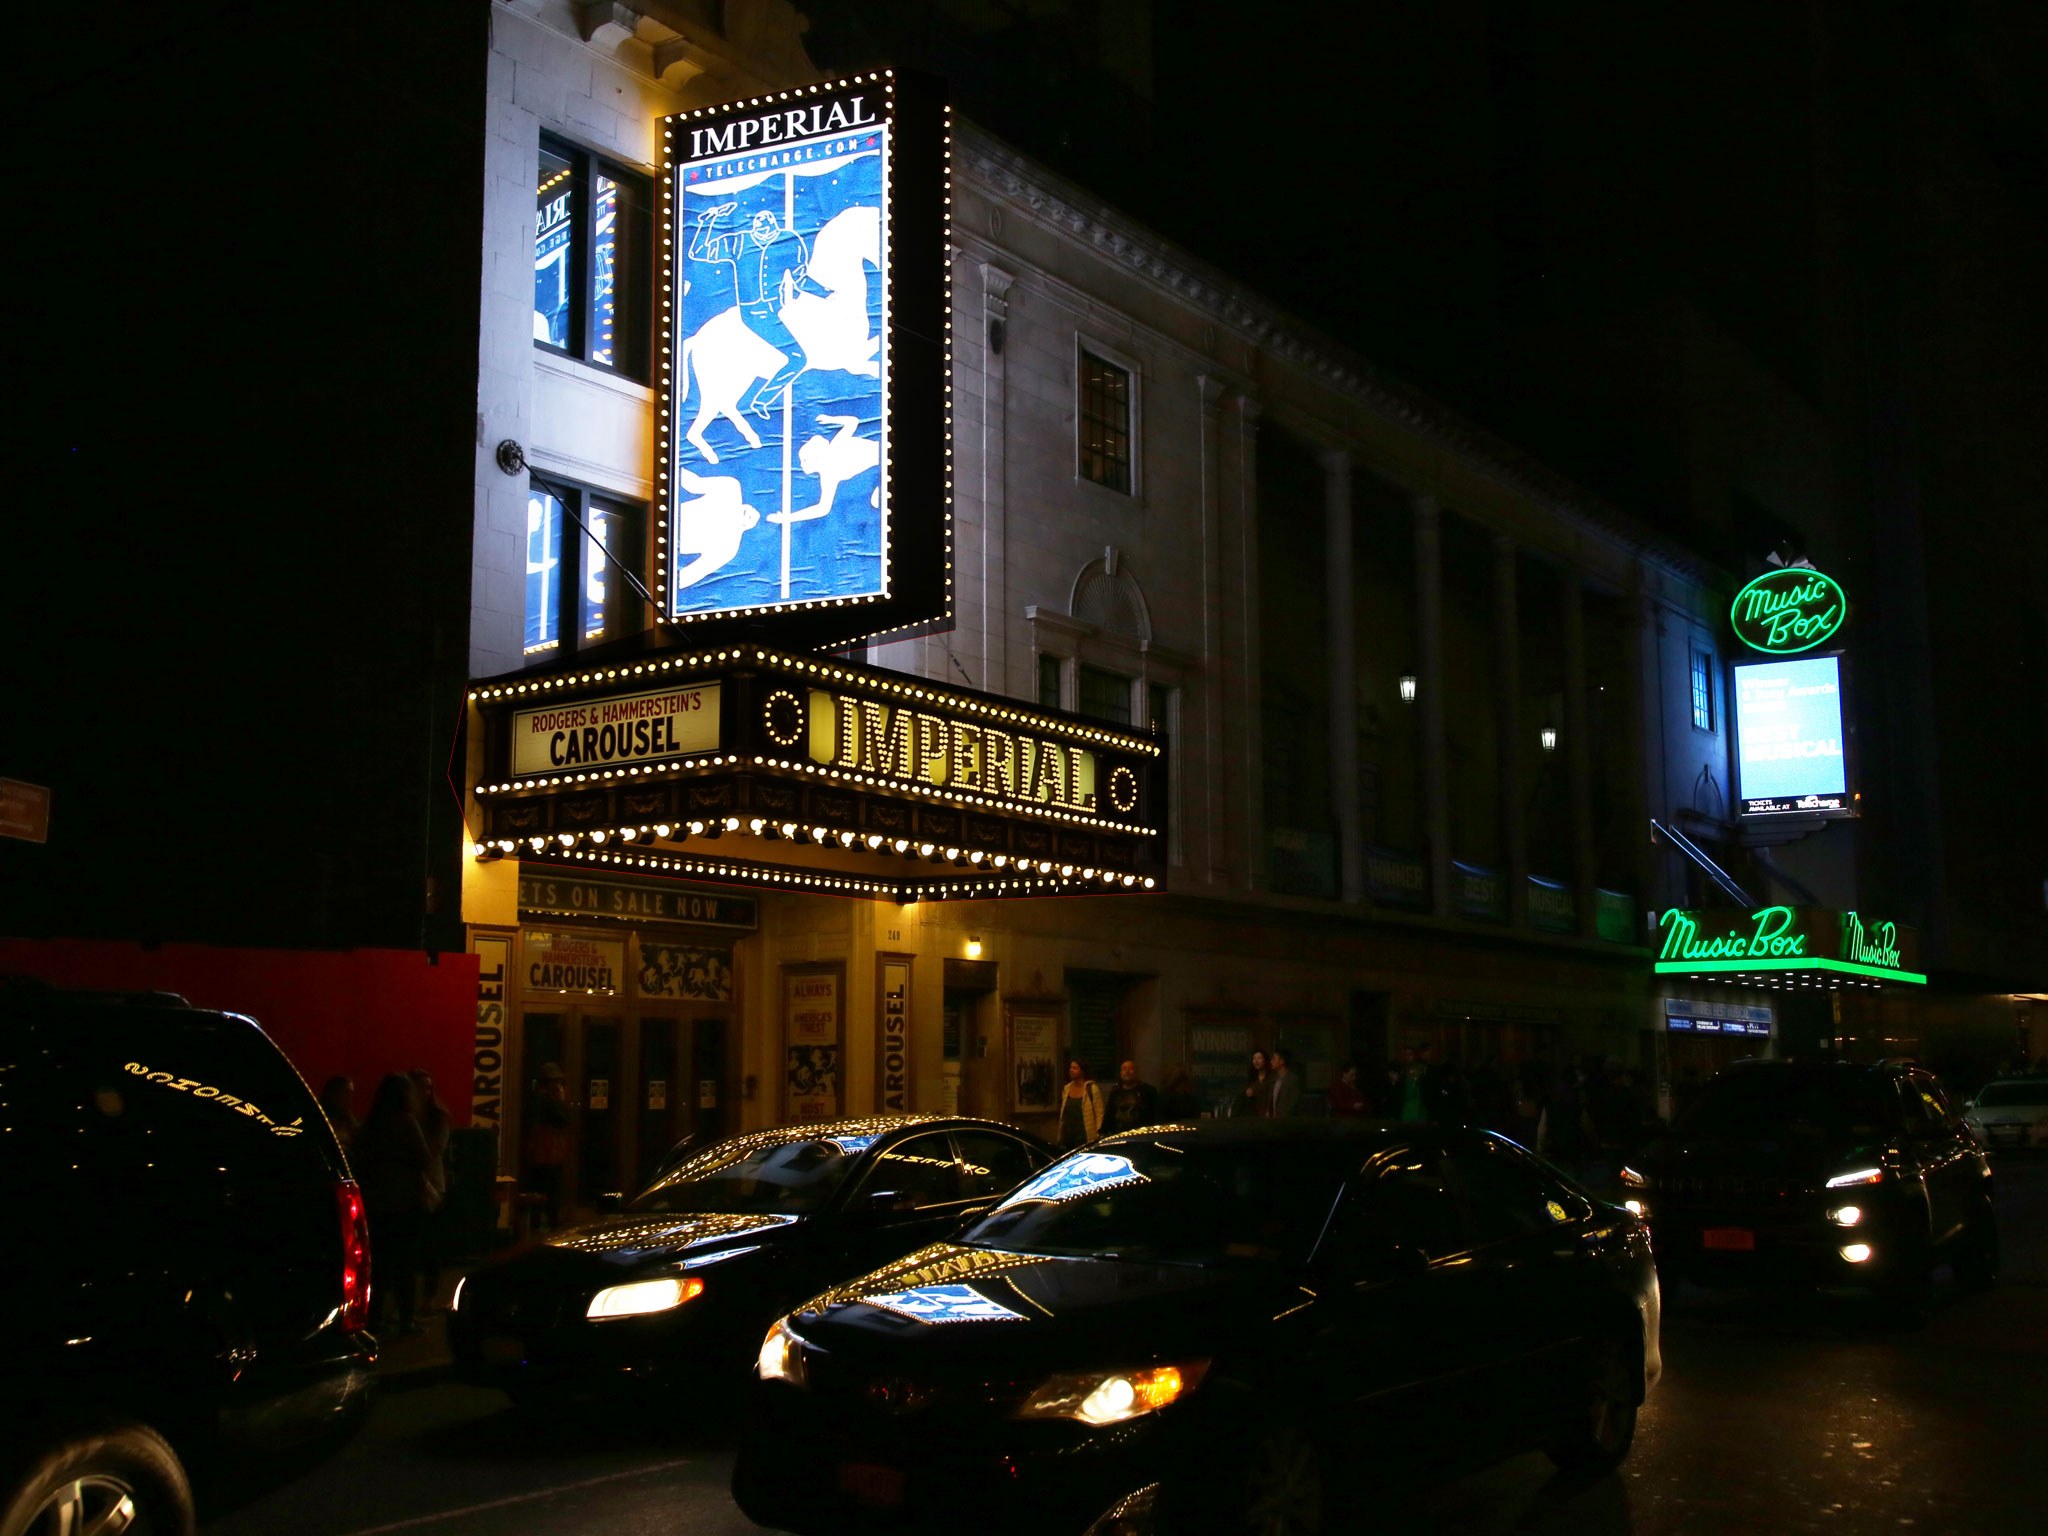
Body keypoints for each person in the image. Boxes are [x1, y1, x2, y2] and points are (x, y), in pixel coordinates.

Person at [353, 1073, 432, 1336]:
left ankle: (374, 1318)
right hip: (405, 1203)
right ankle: (406, 1319)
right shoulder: (407, 1122)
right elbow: (423, 1157)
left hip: (376, 1203)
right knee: (406, 1265)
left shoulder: (370, 1125)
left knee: (379, 1266)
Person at [410, 1069, 453, 1312]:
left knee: (430, 1246)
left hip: (432, 1185)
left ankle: (428, 1297)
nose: (424, 1093)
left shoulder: (437, 1117)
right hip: (414, 1185)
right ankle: (419, 1299)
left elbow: (433, 1150)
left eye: (427, 1088)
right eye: (420, 1087)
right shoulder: (409, 1117)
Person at [523, 1063, 572, 1231]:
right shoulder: (547, 1100)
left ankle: (538, 1226)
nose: (559, 1086)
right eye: (556, 1082)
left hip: (540, 1153)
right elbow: (564, 1120)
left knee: (540, 1194)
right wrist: (561, 1100)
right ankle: (549, 1227)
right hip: (547, 1154)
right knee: (550, 1196)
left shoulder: (536, 1099)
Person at [1103, 1061, 1160, 1135]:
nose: (1127, 1071)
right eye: (1124, 1069)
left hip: (1141, 1135)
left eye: (1131, 1069)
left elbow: (1154, 1115)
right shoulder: (1115, 1092)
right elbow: (1109, 1113)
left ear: (1136, 1072)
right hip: (1118, 1135)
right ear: (1120, 1073)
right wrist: (1103, 1131)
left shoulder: (1147, 1091)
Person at [1058, 1060, 1105, 1150]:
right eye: (1070, 1068)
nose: (1071, 1070)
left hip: (1084, 1136)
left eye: (1075, 1068)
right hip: (1069, 1137)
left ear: (1082, 1071)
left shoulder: (1091, 1089)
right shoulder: (1067, 1088)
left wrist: (1098, 1133)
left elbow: (1099, 1113)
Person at [318, 1075, 359, 1149]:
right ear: (333, 1094)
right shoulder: (319, 1120)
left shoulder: (349, 1122)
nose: (349, 1097)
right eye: (345, 1092)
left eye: (351, 1093)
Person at [1268, 1049, 1303, 1118]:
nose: (1271, 1061)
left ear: (1282, 1061)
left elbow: (1293, 1104)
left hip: (1286, 1122)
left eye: (1274, 1059)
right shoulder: (1274, 1079)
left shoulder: (1293, 1080)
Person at [1240, 1050, 1271, 1118]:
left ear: (1265, 1060)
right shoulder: (1252, 1079)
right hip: (1254, 1117)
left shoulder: (1271, 1078)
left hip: (1269, 1117)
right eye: (1254, 1058)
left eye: (1259, 1058)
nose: (1256, 1061)